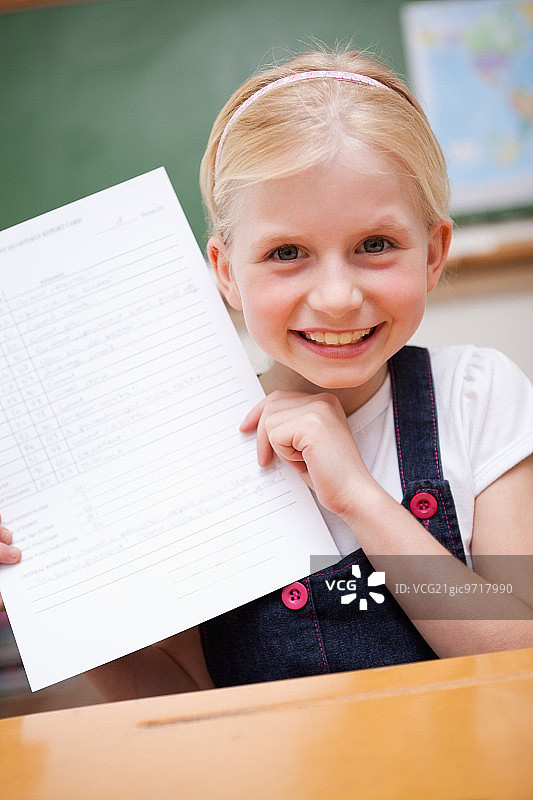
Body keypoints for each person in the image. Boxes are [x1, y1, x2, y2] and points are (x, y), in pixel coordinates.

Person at [1, 47, 532, 699]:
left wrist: (358, 498)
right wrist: (49, 601)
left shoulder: (477, 395)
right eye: (286, 252)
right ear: (225, 272)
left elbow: (520, 662)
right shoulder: (182, 446)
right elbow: (188, 700)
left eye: (375, 245)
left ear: (433, 253)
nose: (336, 297)